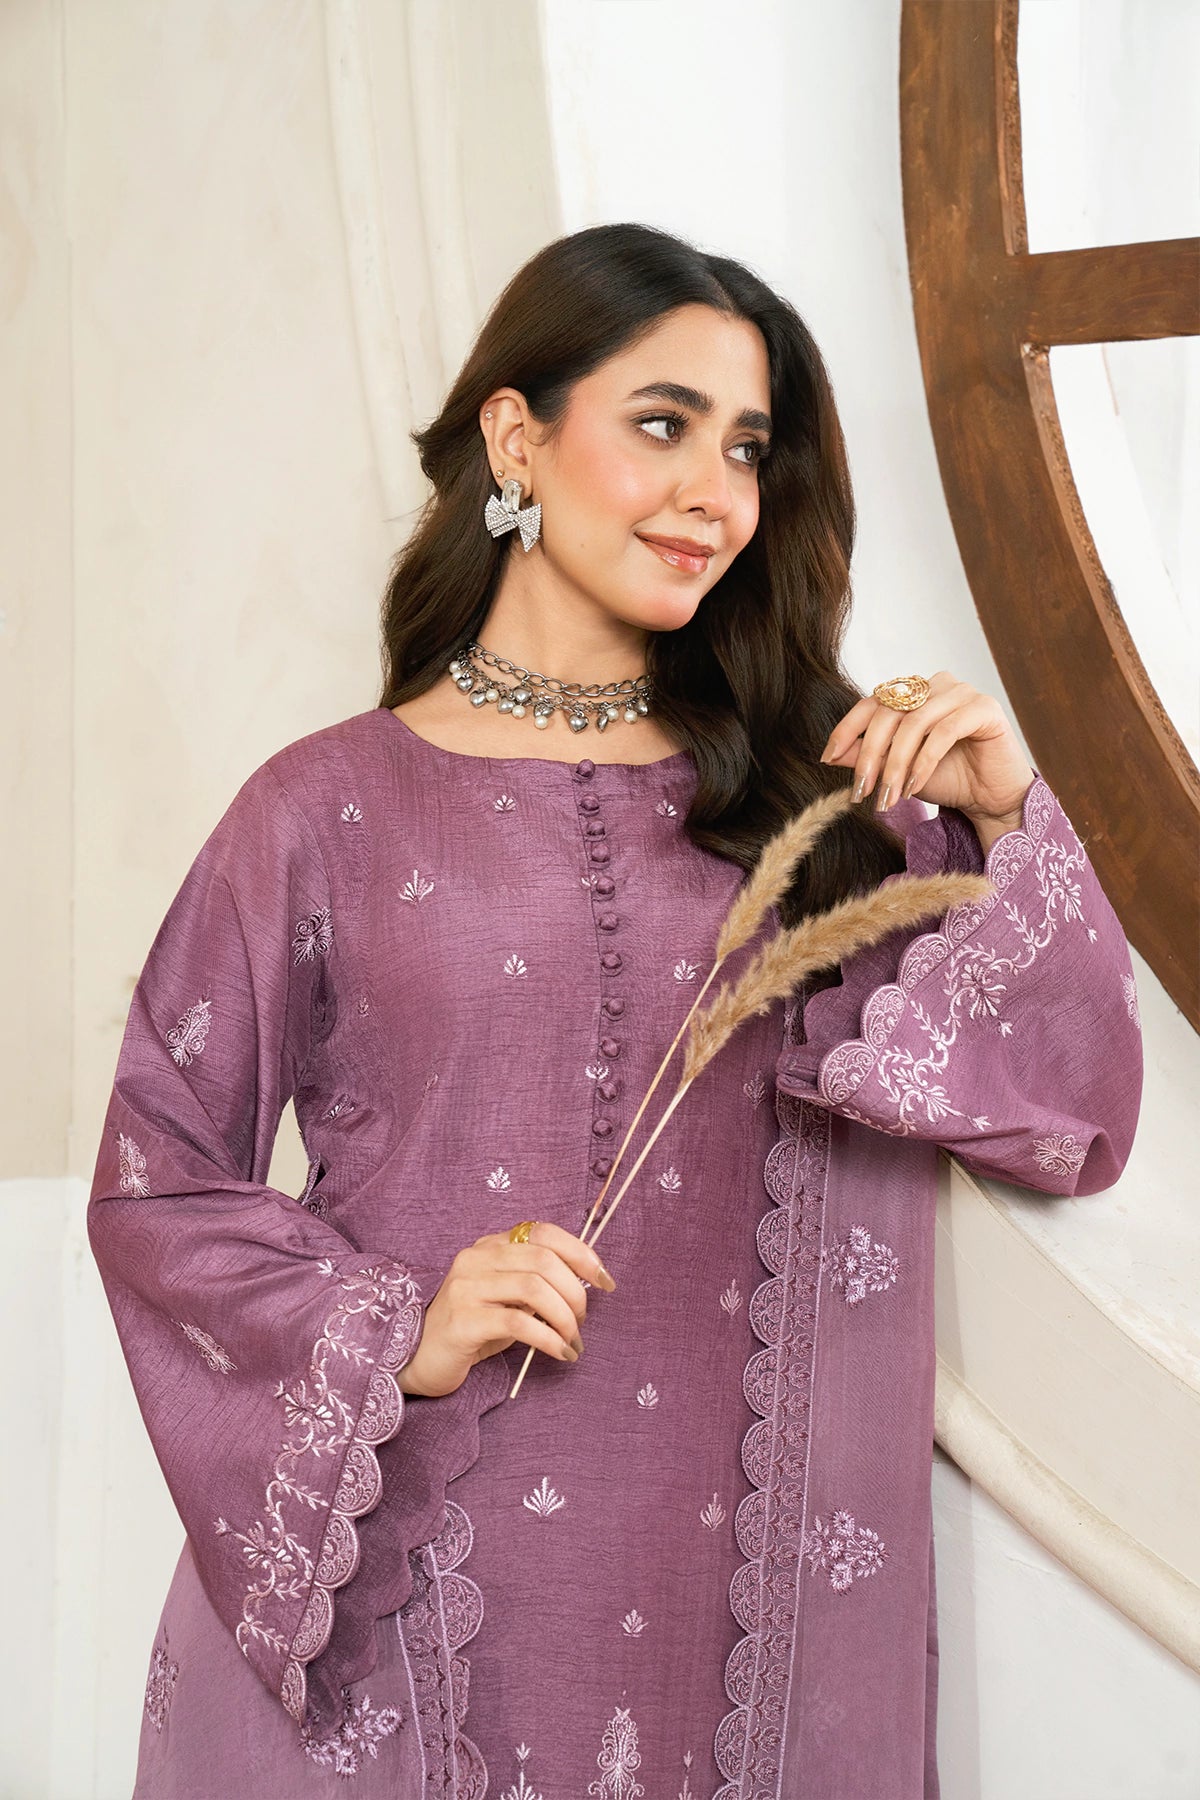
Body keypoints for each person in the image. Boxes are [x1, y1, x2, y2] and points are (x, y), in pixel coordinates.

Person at [88, 222, 1143, 1798]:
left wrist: (1000, 819)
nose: (716, 492)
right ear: (518, 436)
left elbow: (1074, 1114)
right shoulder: (321, 811)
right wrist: (390, 1326)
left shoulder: (824, 820)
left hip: (727, 1615)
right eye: (663, 425)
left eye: (748, 449)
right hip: (401, 1608)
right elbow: (156, 1181)